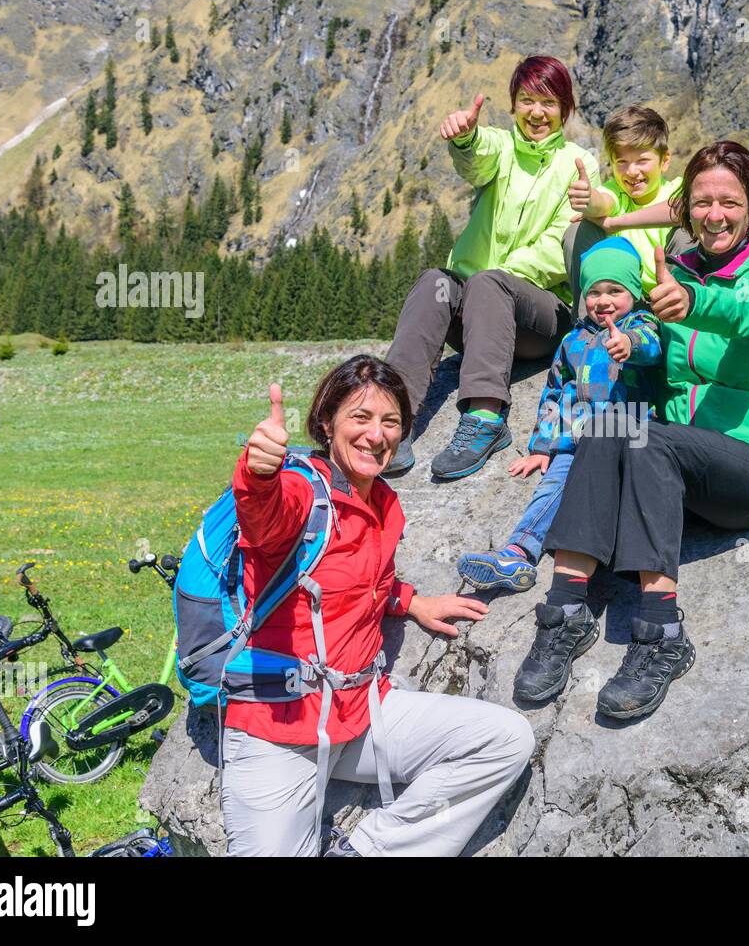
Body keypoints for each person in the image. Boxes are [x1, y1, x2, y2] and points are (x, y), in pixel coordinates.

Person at [512, 141, 749, 721]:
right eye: (701, 202)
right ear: (684, 209)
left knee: (650, 436)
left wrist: (689, 300)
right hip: (676, 472)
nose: (714, 215)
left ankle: (660, 634)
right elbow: (633, 343)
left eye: (729, 202)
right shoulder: (674, 275)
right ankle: (564, 613)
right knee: (611, 426)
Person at [224, 355, 535, 856]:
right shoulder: (302, 490)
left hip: (359, 715)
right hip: (276, 728)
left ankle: (365, 850)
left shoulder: (384, 502)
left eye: (391, 421)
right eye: (360, 417)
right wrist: (258, 475)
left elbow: (359, 580)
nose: (377, 434)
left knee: (505, 740)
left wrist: (410, 601)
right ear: (327, 424)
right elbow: (266, 524)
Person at [382, 55, 600, 480]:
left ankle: (486, 417)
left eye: (549, 102)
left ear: (565, 109)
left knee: (488, 282)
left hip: (538, 317)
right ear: (513, 105)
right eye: (526, 100)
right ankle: (393, 416)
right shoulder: (499, 145)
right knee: (432, 282)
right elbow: (477, 159)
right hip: (478, 310)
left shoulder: (578, 162)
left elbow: (560, 246)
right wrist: (465, 140)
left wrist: (493, 278)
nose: (537, 112)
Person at [456, 237, 663, 592]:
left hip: (629, 437)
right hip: (574, 441)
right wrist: (542, 446)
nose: (603, 301)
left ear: (633, 292)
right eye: (594, 292)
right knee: (552, 488)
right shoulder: (573, 341)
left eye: (615, 290)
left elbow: (652, 348)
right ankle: (516, 553)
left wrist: (629, 344)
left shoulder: (642, 325)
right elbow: (555, 392)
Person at [563, 105, 684, 297]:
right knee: (579, 229)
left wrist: (615, 223)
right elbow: (603, 202)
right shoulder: (617, 192)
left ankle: (683, 321)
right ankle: (587, 320)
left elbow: (686, 206)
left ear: (665, 160)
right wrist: (588, 198)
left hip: (673, 299)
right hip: (624, 303)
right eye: (622, 162)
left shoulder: (677, 190)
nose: (631, 172)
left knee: (687, 229)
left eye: (642, 161)